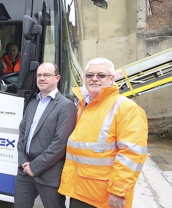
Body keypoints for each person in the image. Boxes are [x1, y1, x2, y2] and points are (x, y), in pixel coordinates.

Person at [58, 58, 148, 208]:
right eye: (89, 75)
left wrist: (119, 191)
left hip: (104, 196)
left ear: (112, 79)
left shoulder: (127, 108)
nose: (94, 79)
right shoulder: (84, 105)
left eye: (101, 75)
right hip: (79, 190)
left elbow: (132, 154)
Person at [14, 62, 76, 208]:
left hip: (49, 173)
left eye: (47, 75)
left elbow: (60, 143)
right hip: (25, 172)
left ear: (57, 78)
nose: (42, 78)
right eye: (39, 75)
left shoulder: (66, 106)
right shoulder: (33, 104)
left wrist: (34, 167)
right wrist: (24, 163)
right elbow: (22, 135)